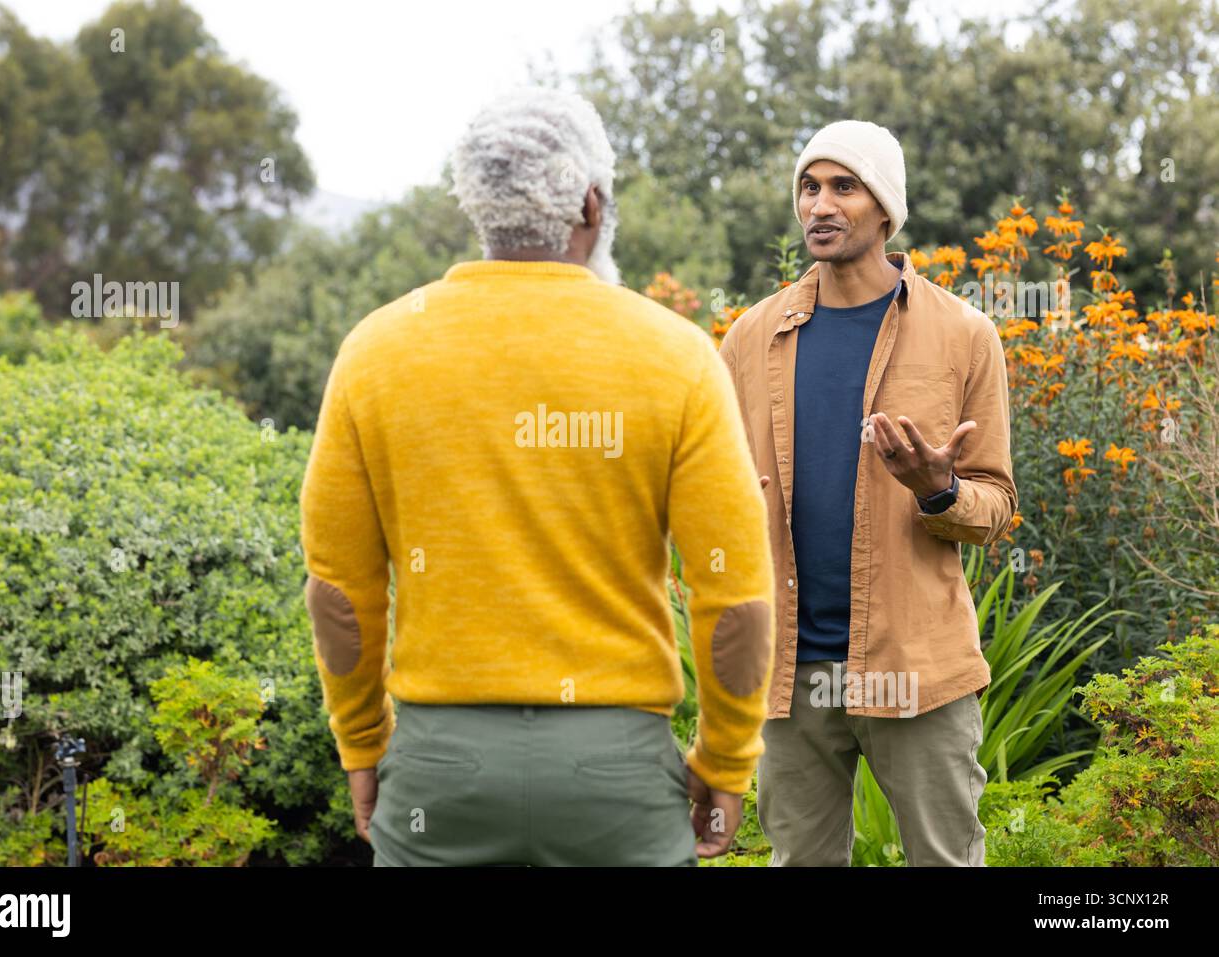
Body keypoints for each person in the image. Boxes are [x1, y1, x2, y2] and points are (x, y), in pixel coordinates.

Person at [299, 87, 775, 866]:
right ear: (592, 203)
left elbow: (339, 593)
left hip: (441, 774)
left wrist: (362, 745)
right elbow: (737, 597)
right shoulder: (676, 356)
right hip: (613, 778)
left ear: (478, 203)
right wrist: (725, 761)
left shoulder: (376, 351)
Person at [717, 120, 1019, 866]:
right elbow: (716, 500)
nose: (821, 204)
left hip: (914, 664)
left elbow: (995, 508)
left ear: (884, 206)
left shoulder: (963, 334)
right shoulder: (748, 339)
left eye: (843, 186)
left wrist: (939, 488)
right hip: (790, 676)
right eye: (809, 187)